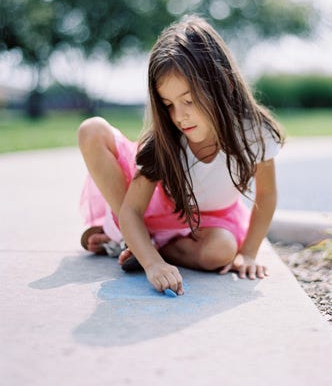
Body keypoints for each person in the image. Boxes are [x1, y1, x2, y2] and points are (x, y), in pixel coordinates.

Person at [77, 15, 283, 295]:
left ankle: (139, 242)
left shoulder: (254, 132)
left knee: (221, 251)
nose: (179, 116)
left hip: (209, 222)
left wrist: (248, 253)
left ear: (225, 85)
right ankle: (137, 241)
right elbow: (133, 210)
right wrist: (153, 265)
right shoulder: (166, 141)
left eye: (188, 100)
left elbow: (267, 194)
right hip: (155, 210)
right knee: (91, 130)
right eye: (168, 104)